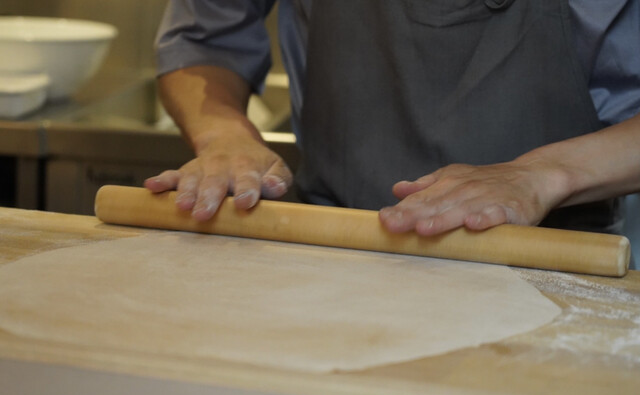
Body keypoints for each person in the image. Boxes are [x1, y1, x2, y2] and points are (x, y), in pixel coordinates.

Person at [144, 0, 640, 238]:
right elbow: (205, 37)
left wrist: (543, 174)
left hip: (561, 258)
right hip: (334, 246)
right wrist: (224, 135)